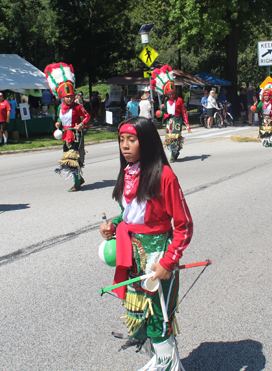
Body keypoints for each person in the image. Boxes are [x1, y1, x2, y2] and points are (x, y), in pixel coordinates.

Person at [99, 116, 193, 371]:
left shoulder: (165, 176)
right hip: (132, 256)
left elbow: (184, 225)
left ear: (147, 142)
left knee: (158, 318)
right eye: (121, 140)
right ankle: (160, 361)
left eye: (132, 140)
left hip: (157, 257)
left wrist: (168, 260)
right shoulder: (127, 173)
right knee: (140, 317)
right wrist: (114, 226)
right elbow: (127, 214)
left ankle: (168, 366)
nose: (125, 146)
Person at [45, 62, 91, 192]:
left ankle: (76, 183)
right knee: (67, 157)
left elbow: (87, 116)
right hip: (65, 134)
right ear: (62, 97)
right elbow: (60, 118)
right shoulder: (60, 107)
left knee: (73, 158)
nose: (69, 99)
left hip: (76, 134)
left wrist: (81, 125)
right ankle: (79, 179)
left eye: (71, 97)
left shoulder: (78, 107)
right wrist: (58, 123)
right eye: (67, 97)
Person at [253, 82, 272, 147]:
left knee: (270, 130)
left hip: (271, 118)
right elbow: (258, 109)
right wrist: (254, 107)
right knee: (263, 130)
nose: (265, 97)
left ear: (270, 96)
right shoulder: (261, 103)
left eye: (267, 96)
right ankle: (263, 140)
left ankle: (269, 140)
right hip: (263, 118)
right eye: (264, 96)